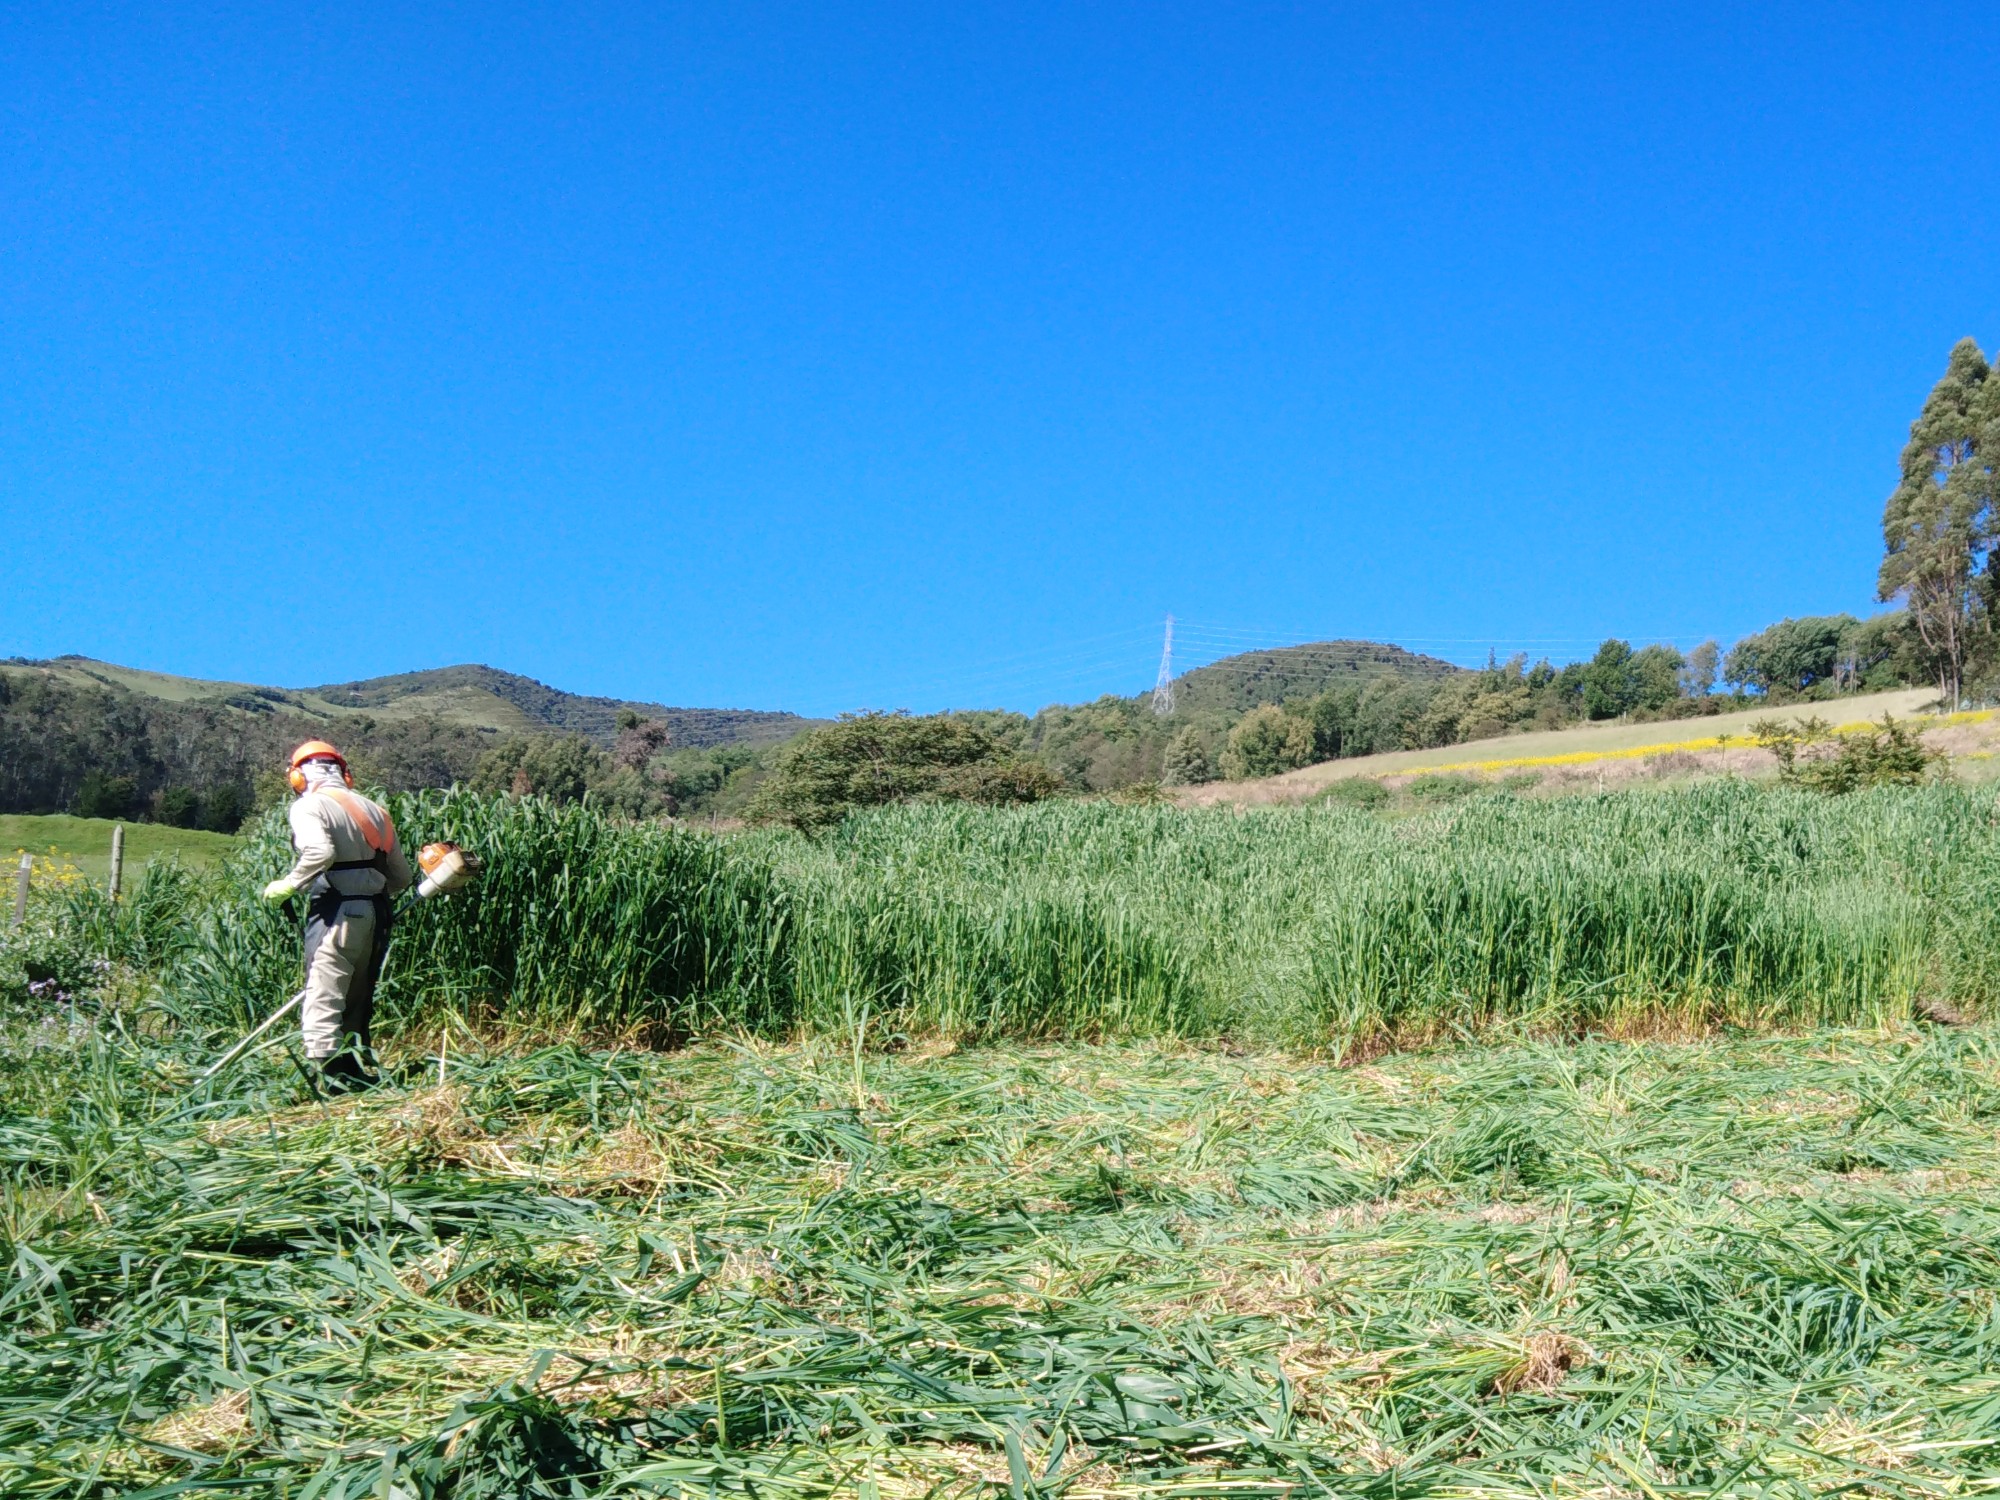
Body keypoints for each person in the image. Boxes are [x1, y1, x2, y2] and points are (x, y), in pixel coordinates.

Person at [261, 741, 412, 1090]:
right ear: (344, 773)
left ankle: (328, 1077)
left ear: (298, 775)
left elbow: (320, 851)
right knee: (357, 993)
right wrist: (367, 889)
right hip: (376, 912)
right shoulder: (376, 811)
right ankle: (355, 1067)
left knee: (325, 988)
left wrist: (289, 884)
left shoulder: (309, 805)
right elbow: (401, 877)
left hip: (338, 909)